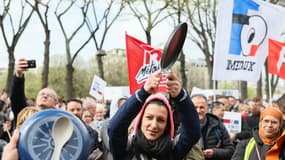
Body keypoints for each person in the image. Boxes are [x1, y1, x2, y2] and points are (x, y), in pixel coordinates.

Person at [108, 71, 200, 160]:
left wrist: (180, 96)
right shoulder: (127, 147)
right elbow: (115, 129)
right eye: (149, 117)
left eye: (161, 120)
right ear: (140, 120)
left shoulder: (172, 149)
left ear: (167, 125)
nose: (154, 125)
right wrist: (142, 93)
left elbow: (192, 132)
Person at [191, 94, 234, 160]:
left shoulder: (217, 124)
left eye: (201, 107)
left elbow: (230, 150)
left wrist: (214, 152)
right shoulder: (182, 125)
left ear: (207, 108)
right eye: (195, 107)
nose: (198, 111)